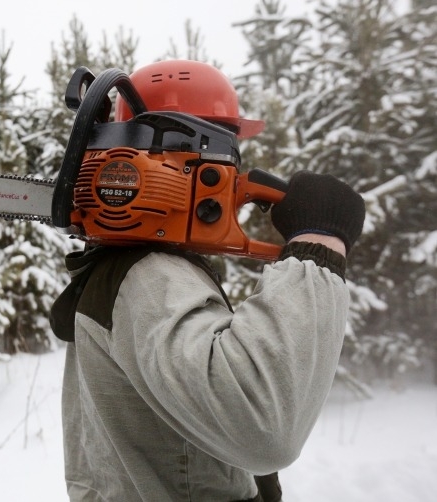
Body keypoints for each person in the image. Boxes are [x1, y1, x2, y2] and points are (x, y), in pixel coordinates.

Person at [50, 60, 366, 502]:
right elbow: (264, 426)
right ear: (200, 147)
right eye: (230, 146)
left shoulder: (131, 269)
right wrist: (318, 245)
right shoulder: (150, 277)